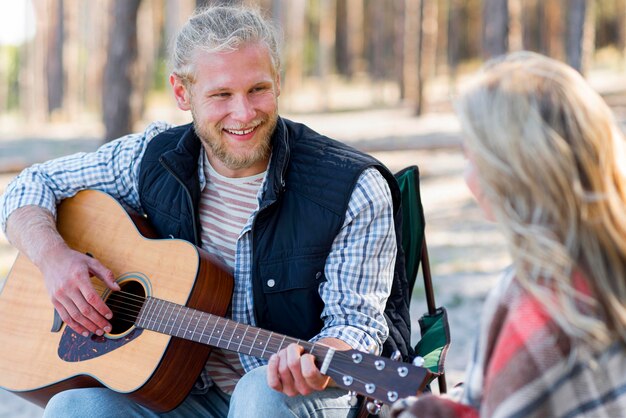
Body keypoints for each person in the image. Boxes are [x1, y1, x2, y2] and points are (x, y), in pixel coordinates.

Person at [0, 5, 413, 418]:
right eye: (221, 95)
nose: (244, 113)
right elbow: (29, 186)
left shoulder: (350, 187)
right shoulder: (152, 157)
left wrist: (324, 360)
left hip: (293, 395)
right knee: (73, 408)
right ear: (182, 93)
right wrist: (54, 259)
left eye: (258, 89)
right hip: (180, 391)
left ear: (279, 82)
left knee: (260, 394)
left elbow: (358, 325)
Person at [391, 51, 626, 418]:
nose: (468, 177)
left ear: (510, 170)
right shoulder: (604, 266)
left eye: (471, 156)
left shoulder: (536, 303)